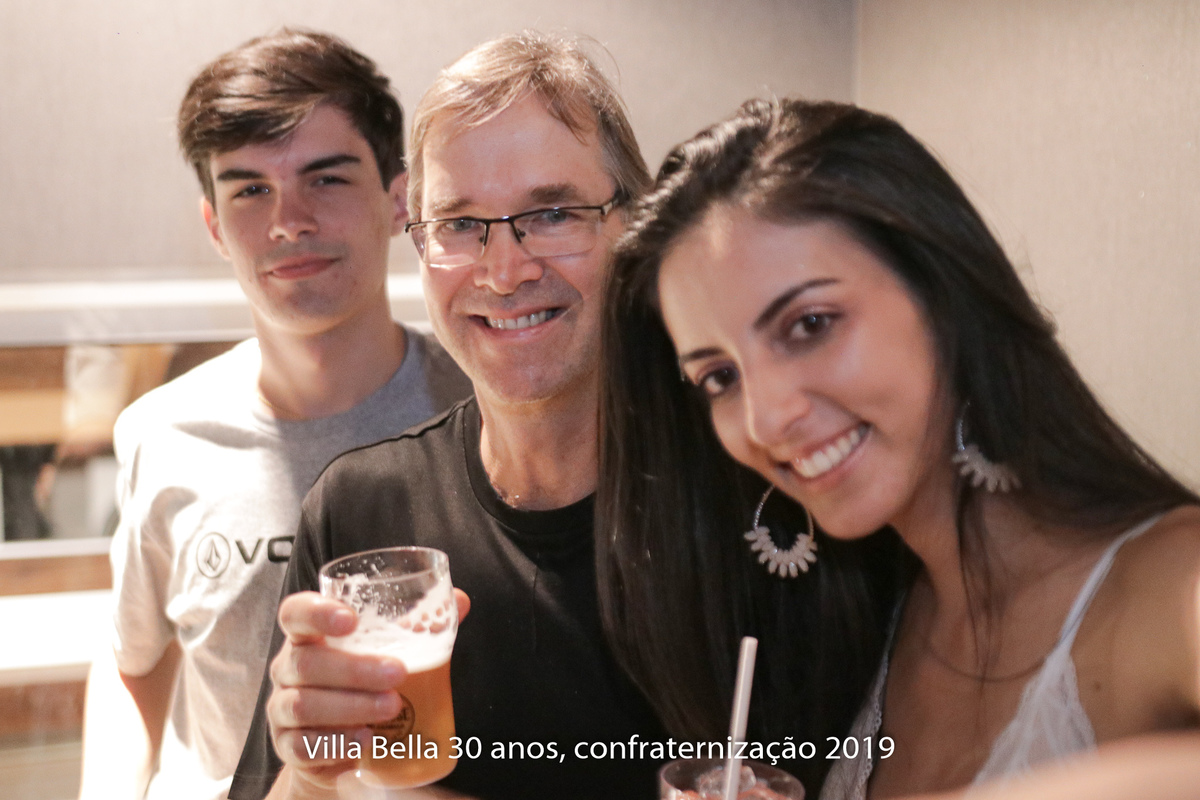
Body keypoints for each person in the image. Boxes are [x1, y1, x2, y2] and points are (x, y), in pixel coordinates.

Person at [598, 97, 1200, 798]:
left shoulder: (1169, 580)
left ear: (944, 296)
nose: (766, 420)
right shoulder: (866, 626)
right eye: (720, 378)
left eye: (810, 324)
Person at [229, 31, 666, 800]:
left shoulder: (748, 506)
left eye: (553, 212)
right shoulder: (362, 510)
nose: (504, 271)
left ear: (633, 228)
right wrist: (311, 774)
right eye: (460, 225)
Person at [78, 29, 472, 800]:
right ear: (215, 226)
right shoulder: (163, 433)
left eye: (326, 179)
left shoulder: (482, 410)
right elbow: (133, 661)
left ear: (398, 201)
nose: (289, 220)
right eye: (250, 190)